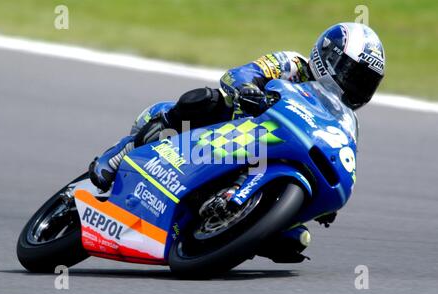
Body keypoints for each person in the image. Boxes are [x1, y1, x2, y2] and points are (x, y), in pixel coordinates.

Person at [88, 22, 385, 262]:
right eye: (352, 74)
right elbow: (238, 74)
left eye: (365, 82)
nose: (355, 85)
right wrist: (247, 89)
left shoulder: (347, 121)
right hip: (234, 126)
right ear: (327, 56)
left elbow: (341, 153)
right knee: (206, 100)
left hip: (278, 155)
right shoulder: (292, 64)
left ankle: (231, 226)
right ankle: (123, 152)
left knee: (295, 239)